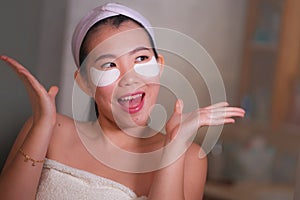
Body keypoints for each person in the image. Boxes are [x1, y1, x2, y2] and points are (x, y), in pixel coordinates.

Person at [0, 3, 245, 200]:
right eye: (109, 65)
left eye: (140, 58)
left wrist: (173, 146)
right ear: (84, 82)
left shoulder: (190, 156)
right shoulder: (49, 130)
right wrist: (42, 125)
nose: (130, 78)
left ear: (158, 66)